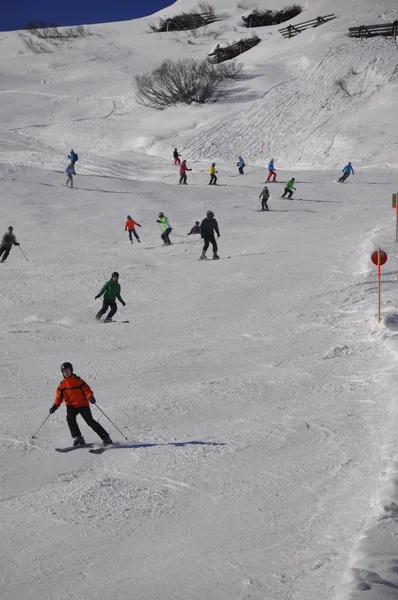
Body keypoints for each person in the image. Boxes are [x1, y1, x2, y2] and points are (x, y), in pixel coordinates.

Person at [49, 362, 112, 446]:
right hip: (71, 405)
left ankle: (105, 437)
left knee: (89, 421)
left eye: (68, 371)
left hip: (82, 404)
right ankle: (78, 438)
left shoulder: (78, 381)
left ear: (71, 371)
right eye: (64, 371)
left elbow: (87, 390)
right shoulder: (62, 385)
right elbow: (58, 398)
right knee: (70, 418)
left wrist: (90, 397)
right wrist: (55, 406)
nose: (66, 373)